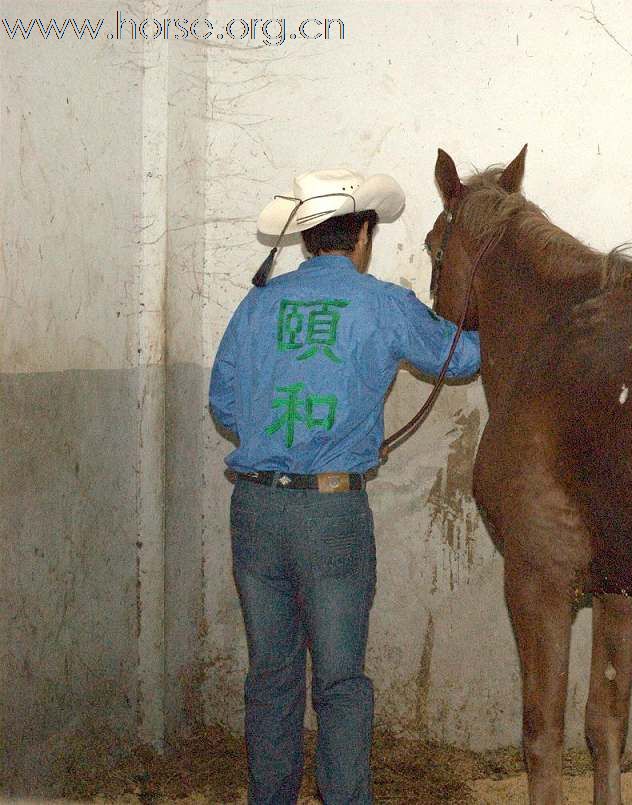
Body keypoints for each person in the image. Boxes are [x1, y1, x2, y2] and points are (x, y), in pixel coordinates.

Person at [208, 168, 480, 804]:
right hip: (330, 515)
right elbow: (460, 358)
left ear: (306, 241)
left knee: (271, 675)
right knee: (339, 681)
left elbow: (224, 403)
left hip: (253, 508)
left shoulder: (257, 304)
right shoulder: (381, 303)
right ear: (361, 235)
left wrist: (280, 432)